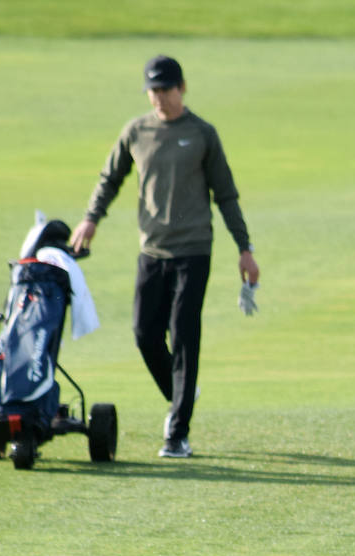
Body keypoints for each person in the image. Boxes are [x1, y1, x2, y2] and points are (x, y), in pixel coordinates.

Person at [70, 54, 259, 458]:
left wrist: (245, 248)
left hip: (194, 250)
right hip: (151, 251)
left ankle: (177, 433)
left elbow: (226, 195)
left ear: (182, 88)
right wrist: (90, 220)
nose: (158, 98)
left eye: (165, 90)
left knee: (185, 333)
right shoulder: (136, 132)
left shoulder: (202, 134)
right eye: (152, 91)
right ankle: (182, 393)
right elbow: (111, 178)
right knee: (144, 335)